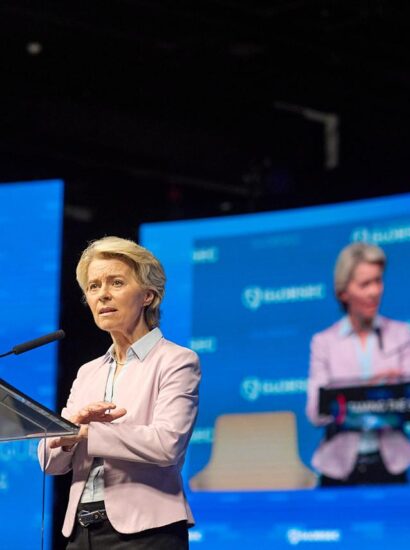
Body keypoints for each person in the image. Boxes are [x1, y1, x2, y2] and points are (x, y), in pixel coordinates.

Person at [38, 236, 201, 549]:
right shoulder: (88, 372)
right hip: (80, 533)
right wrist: (70, 429)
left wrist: (88, 433)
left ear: (148, 296)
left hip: (146, 532)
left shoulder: (177, 361)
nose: (102, 295)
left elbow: (167, 445)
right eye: (94, 286)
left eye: (116, 283)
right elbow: (51, 463)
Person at [306, 242, 410, 487]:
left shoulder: (403, 335)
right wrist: (376, 390)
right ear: (343, 292)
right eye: (365, 284)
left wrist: (347, 401)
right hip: (338, 467)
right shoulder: (324, 342)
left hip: (392, 465)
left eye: (378, 281)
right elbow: (315, 413)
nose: (375, 291)